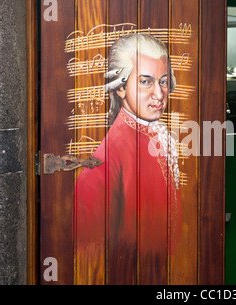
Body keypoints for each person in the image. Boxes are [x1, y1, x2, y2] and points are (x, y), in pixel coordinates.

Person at [74, 33, 181, 285]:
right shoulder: (104, 161)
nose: (159, 94)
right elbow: (89, 260)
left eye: (164, 82)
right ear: (120, 87)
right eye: (146, 81)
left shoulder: (158, 135)